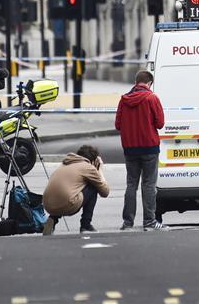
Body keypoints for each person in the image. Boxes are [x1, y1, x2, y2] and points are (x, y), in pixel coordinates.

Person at [115, 70, 165, 230]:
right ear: (149, 83)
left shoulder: (124, 100)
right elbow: (160, 123)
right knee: (149, 185)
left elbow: (117, 125)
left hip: (130, 148)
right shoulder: (152, 98)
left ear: (136, 82)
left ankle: (127, 222)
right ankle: (149, 222)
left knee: (131, 184)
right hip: (149, 147)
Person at [42, 144, 110, 234]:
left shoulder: (64, 164)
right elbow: (105, 192)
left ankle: (53, 219)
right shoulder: (88, 167)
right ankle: (86, 225)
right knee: (93, 187)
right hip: (67, 203)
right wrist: (99, 170)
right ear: (94, 161)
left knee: (69, 190)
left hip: (48, 205)